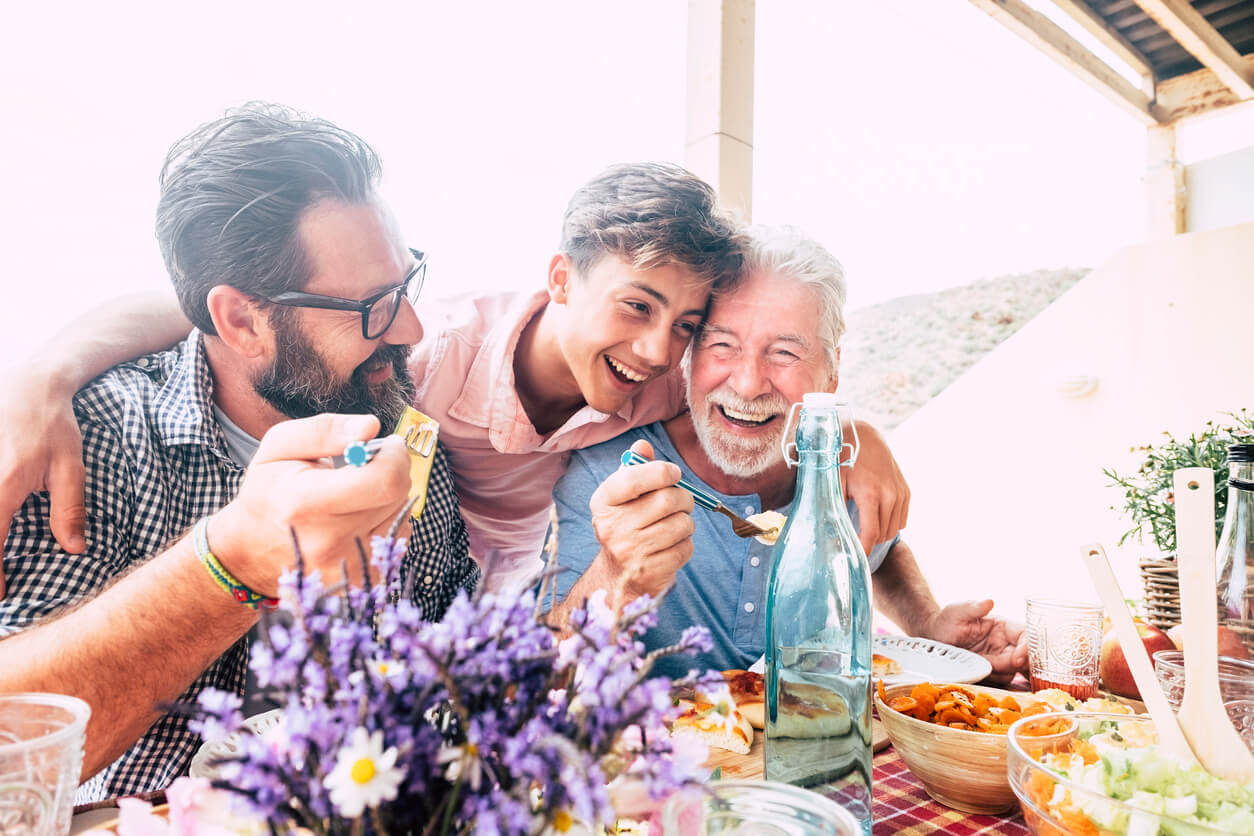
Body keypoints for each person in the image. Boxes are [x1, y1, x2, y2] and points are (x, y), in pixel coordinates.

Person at [0, 172, 911, 596]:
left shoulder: (665, 377)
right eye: (634, 307)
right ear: (560, 280)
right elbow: (231, 314)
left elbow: (756, 388)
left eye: (681, 326)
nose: (654, 348)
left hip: (529, 587)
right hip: (427, 568)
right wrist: (48, 368)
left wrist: (858, 433)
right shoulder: (423, 353)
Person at [0, 103, 478, 801]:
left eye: (406, 284)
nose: (408, 326)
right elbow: (14, 762)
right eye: (373, 304)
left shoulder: (398, 433)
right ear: (242, 320)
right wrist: (227, 565)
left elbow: (452, 675)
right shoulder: (91, 435)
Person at [544, 225, 1029, 683]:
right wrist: (615, 575)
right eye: (722, 345)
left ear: (831, 374)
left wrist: (927, 624)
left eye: (784, 354)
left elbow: (878, 552)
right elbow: (536, 677)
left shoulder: (841, 472)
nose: (749, 384)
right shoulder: (608, 473)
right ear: (688, 357)